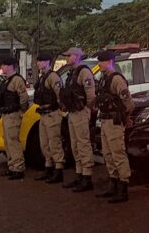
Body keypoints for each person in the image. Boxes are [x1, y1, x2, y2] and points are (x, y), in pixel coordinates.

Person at [94, 50, 134, 203]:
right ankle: (113, 183)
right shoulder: (103, 79)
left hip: (114, 122)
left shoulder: (116, 79)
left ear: (109, 61)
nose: (99, 64)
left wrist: (126, 117)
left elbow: (128, 102)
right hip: (105, 121)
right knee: (107, 153)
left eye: (101, 61)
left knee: (117, 153)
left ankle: (123, 186)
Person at [58, 47, 96, 192]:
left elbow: (90, 95)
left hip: (80, 112)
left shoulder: (83, 72)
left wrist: (87, 109)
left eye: (69, 55)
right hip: (72, 112)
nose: (67, 58)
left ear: (76, 56)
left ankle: (87, 175)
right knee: (74, 144)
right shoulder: (73, 72)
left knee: (83, 143)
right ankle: (79, 173)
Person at [33, 52, 65, 184]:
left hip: (52, 113)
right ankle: (48, 167)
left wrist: (60, 110)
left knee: (54, 143)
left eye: (41, 61)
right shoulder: (43, 77)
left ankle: (59, 169)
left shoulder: (53, 77)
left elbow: (59, 95)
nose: (38, 63)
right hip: (44, 114)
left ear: (47, 62)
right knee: (44, 144)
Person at [0, 57, 29, 180]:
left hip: (13, 114)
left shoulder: (17, 80)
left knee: (13, 141)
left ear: (11, 66)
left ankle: (18, 168)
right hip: (6, 114)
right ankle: (12, 166)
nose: (2, 67)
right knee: (7, 141)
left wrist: (20, 111)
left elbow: (23, 98)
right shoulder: (6, 80)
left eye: (4, 65)